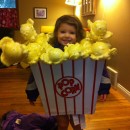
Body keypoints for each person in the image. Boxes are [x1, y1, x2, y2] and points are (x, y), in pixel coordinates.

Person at [26, 15, 86, 130]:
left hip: (77, 95)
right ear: (56, 33)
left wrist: (103, 88)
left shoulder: (84, 51)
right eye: (63, 31)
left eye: (72, 32)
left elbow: (95, 69)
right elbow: (37, 72)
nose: (67, 35)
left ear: (77, 35)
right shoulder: (48, 52)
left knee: (78, 125)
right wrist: (32, 93)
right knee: (62, 124)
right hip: (56, 96)